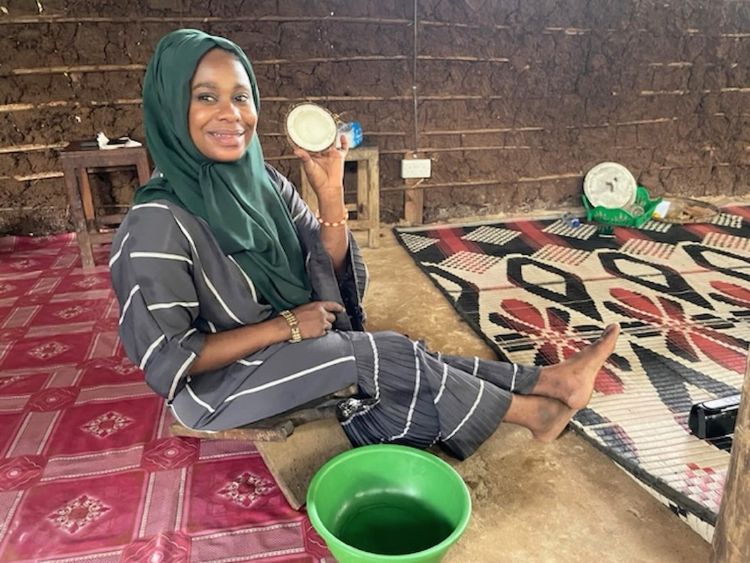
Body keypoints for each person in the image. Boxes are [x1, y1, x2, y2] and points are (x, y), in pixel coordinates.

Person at [109, 29, 620, 461]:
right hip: (217, 386)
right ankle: (534, 410)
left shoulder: (262, 181)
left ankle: (545, 381)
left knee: (394, 361)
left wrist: (330, 191)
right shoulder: (156, 224)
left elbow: (326, 273)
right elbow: (172, 357)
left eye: (240, 96)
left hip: (291, 345)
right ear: (171, 106)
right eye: (205, 96)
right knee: (380, 354)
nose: (231, 114)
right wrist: (285, 325)